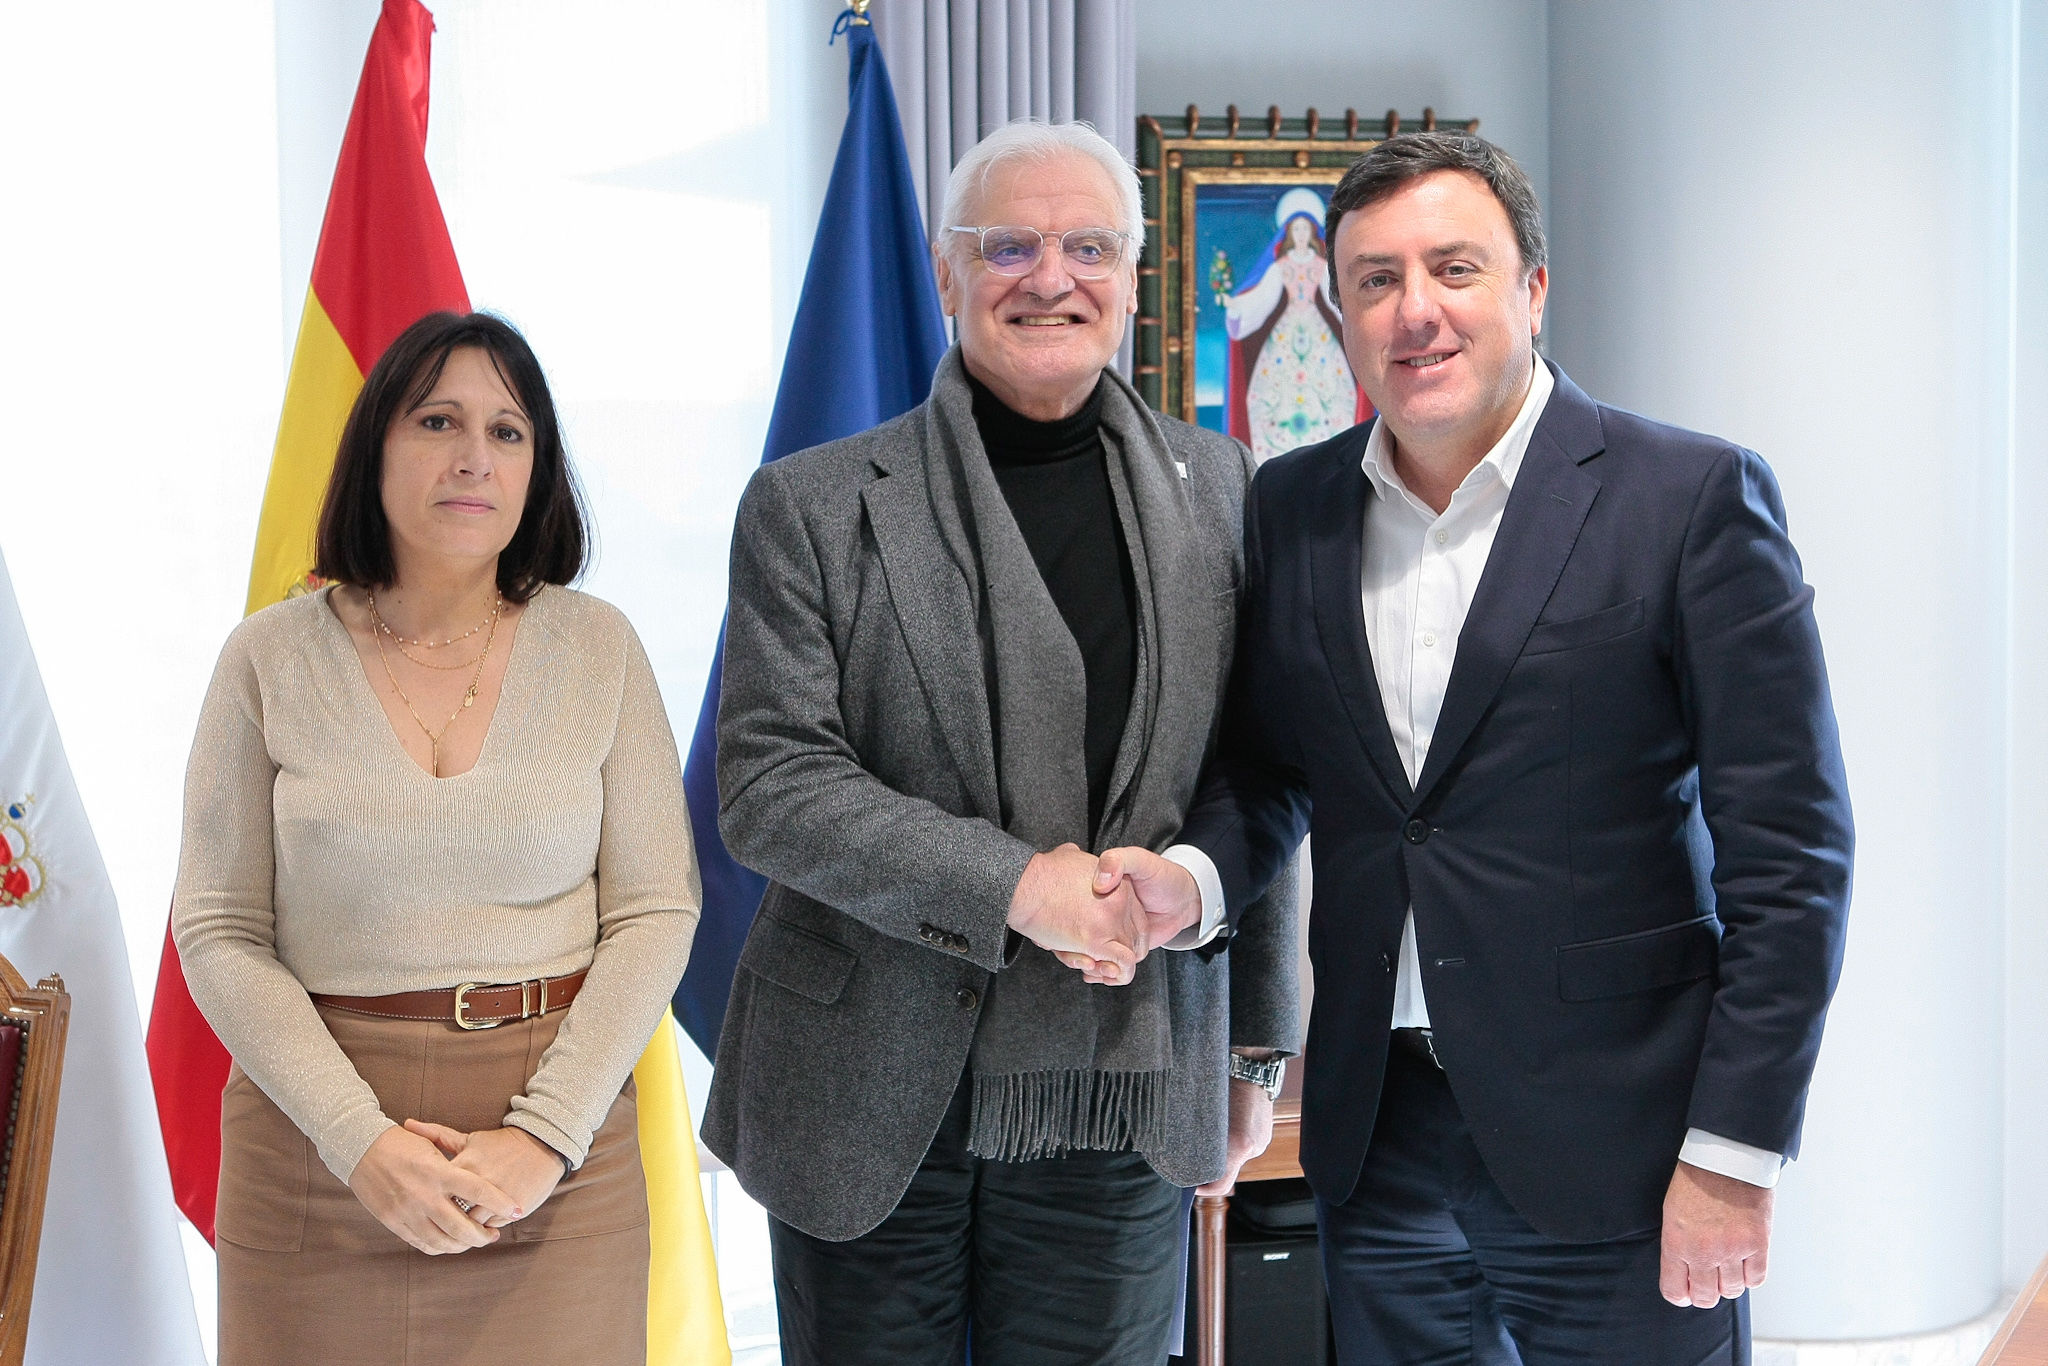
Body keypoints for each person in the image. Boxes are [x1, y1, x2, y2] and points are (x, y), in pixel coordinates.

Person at [1094, 132, 1854, 1364]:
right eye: (1376, 279)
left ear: (1531, 288)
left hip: (1620, 1146)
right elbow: (1272, 768)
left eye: (1453, 267)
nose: (1415, 310)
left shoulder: (1689, 497)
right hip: (1375, 1136)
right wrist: (1189, 879)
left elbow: (1793, 858)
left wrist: (1732, 1154)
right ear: (1340, 312)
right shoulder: (1291, 506)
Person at [699, 119, 1301, 1366]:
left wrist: (1256, 1051)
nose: (1049, 277)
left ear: (1129, 275)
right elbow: (771, 785)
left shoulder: (1224, 489)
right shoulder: (810, 505)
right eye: (1008, 246)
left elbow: (1262, 768)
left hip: (1127, 1072)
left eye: (1087, 247)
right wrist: (1016, 887)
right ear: (946, 273)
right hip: (861, 1080)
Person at [174, 311, 701, 1364]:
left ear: (538, 469)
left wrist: (544, 1136)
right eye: (437, 421)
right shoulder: (267, 657)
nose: (474, 457)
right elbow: (219, 928)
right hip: (318, 1148)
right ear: (374, 444)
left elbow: (656, 910)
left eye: (508, 431)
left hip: (554, 1158)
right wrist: (358, 1140)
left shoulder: (598, 646)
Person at [1223, 189, 1363, 462]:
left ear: (1312, 233)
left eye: (1305, 229)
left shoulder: (1322, 267)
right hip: (1284, 340)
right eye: (1296, 229)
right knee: (1272, 399)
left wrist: (1359, 315)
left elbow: (1337, 302)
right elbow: (1262, 298)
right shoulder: (1281, 267)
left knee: (1332, 397)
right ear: (1288, 233)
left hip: (1318, 340)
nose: (1300, 235)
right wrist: (1238, 305)